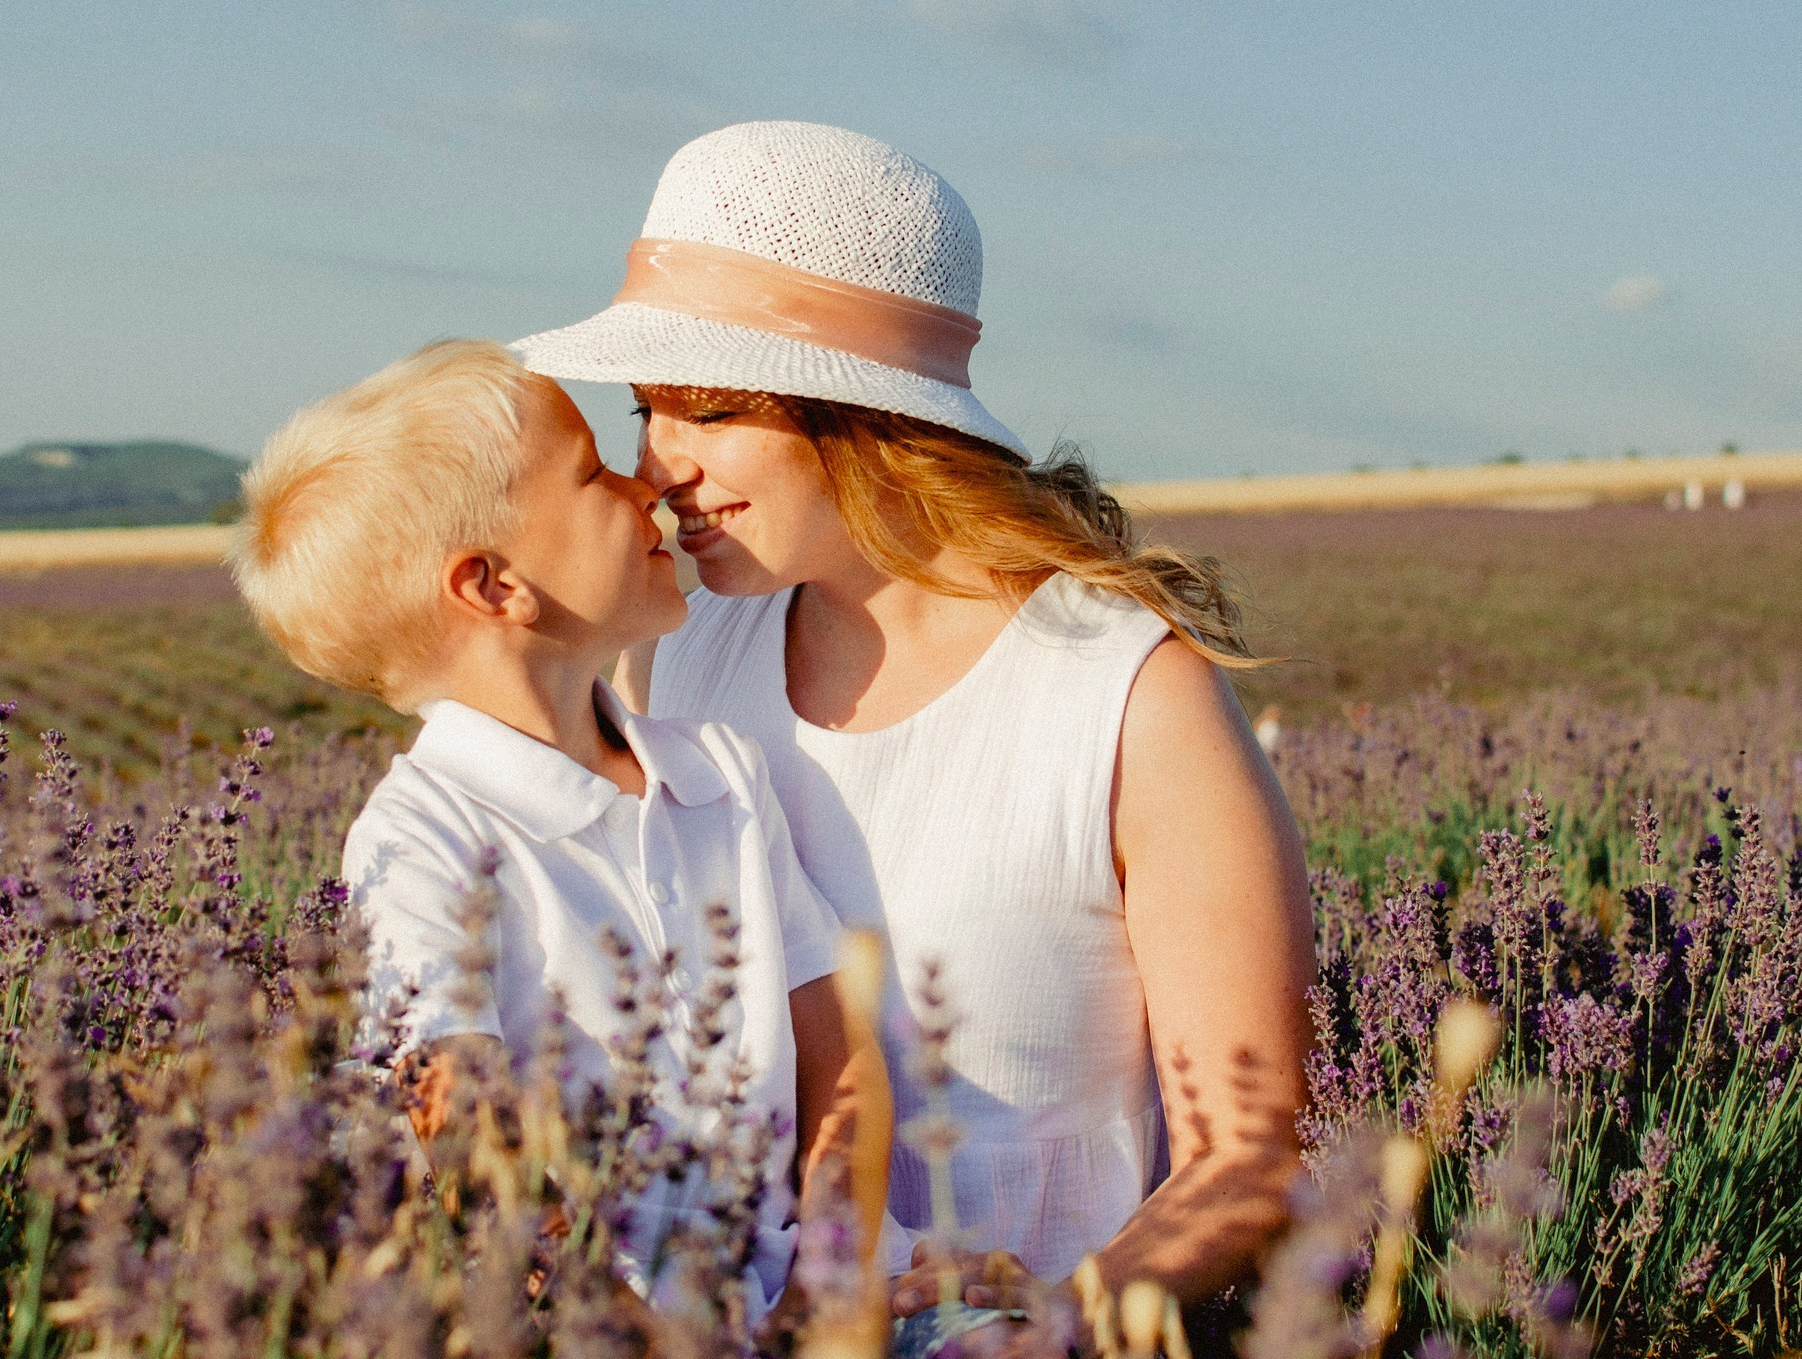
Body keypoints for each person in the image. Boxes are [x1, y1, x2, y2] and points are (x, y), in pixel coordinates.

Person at [513, 122, 1316, 1329]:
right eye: (644, 411)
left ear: (864, 410)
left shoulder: (1126, 695)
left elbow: (1246, 1154)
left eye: (708, 408)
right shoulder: (681, 653)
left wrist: (1050, 1328)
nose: (658, 465)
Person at [226, 338, 891, 1327]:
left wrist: (828, 1279)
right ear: (495, 586)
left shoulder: (721, 774)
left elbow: (838, 1050)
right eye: (593, 474)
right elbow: (463, 1142)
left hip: (798, 1296)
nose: (646, 486)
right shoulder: (421, 842)